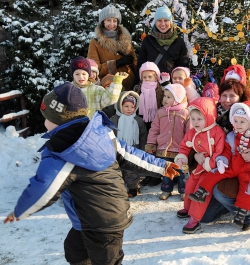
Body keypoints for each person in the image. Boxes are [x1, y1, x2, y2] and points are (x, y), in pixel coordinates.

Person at [3, 83, 179, 264]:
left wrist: (20, 210)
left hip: (103, 223)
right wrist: (161, 166)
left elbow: (45, 189)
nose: (44, 122)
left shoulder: (62, 150)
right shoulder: (100, 132)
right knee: (75, 250)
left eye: (45, 117)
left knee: (106, 261)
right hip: (92, 217)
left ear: (58, 119)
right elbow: (130, 154)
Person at [192, 69, 250, 231]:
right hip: (223, 166)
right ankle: (232, 206)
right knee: (205, 217)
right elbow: (196, 137)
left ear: (241, 97)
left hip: (249, 170)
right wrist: (196, 155)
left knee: (221, 192)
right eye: (224, 95)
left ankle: (248, 212)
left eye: (232, 96)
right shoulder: (213, 116)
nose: (227, 100)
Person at [174, 97, 226, 233]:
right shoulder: (192, 133)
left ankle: (195, 219)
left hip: (212, 170)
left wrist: (209, 162)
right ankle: (187, 207)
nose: (195, 122)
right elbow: (184, 146)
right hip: (199, 168)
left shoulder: (217, 132)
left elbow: (220, 151)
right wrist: (182, 157)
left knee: (201, 190)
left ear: (209, 117)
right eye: (193, 119)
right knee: (190, 184)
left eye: (200, 119)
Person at [146, 83, 190, 200]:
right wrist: (151, 144)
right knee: (167, 171)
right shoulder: (161, 112)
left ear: (178, 98)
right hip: (163, 149)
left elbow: (189, 132)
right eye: (164, 96)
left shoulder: (185, 113)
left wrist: (189, 148)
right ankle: (166, 190)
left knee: (182, 172)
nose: (165, 99)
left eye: (169, 97)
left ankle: (184, 191)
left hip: (180, 150)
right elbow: (154, 129)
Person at [134, 5, 189, 85]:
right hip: (151, 87)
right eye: (159, 20)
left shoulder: (178, 42)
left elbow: (183, 68)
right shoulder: (148, 40)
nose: (163, 24)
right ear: (155, 22)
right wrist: (136, 87)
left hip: (171, 90)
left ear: (170, 22)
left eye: (166, 20)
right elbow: (140, 67)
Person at [88, 4, 137, 90]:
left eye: (115, 21)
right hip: (108, 88)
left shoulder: (125, 39)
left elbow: (134, 63)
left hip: (129, 86)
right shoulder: (95, 43)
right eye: (108, 20)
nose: (112, 24)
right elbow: (94, 69)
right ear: (103, 22)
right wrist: (116, 63)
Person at [109, 91, 148, 198]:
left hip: (133, 149)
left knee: (131, 170)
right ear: (120, 106)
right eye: (126, 106)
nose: (129, 109)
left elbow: (143, 136)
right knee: (118, 170)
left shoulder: (138, 121)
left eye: (132, 106)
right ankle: (119, 188)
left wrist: (142, 149)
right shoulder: (114, 119)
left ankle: (133, 187)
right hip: (118, 150)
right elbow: (109, 134)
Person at [134, 61, 164, 132]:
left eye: (150, 76)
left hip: (157, 118)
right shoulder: (138, 88)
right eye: (144, 77)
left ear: (156, 77)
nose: (147, 79)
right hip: (142, 117)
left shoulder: (160, 89)